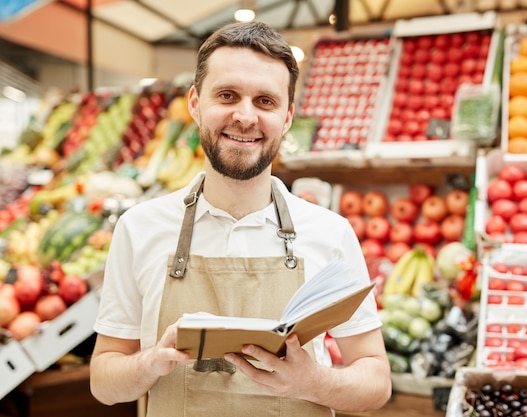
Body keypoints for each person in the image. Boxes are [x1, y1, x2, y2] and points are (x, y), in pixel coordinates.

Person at [89, 21, 391, 416]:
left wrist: (312, 381)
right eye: (227, 95)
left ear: (287, 117)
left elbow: (376, 381)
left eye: (265, 101)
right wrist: (149, 363)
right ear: (196, 104)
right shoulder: (140, 227)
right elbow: (103, 382)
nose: (245, 117)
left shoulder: (330, 232)